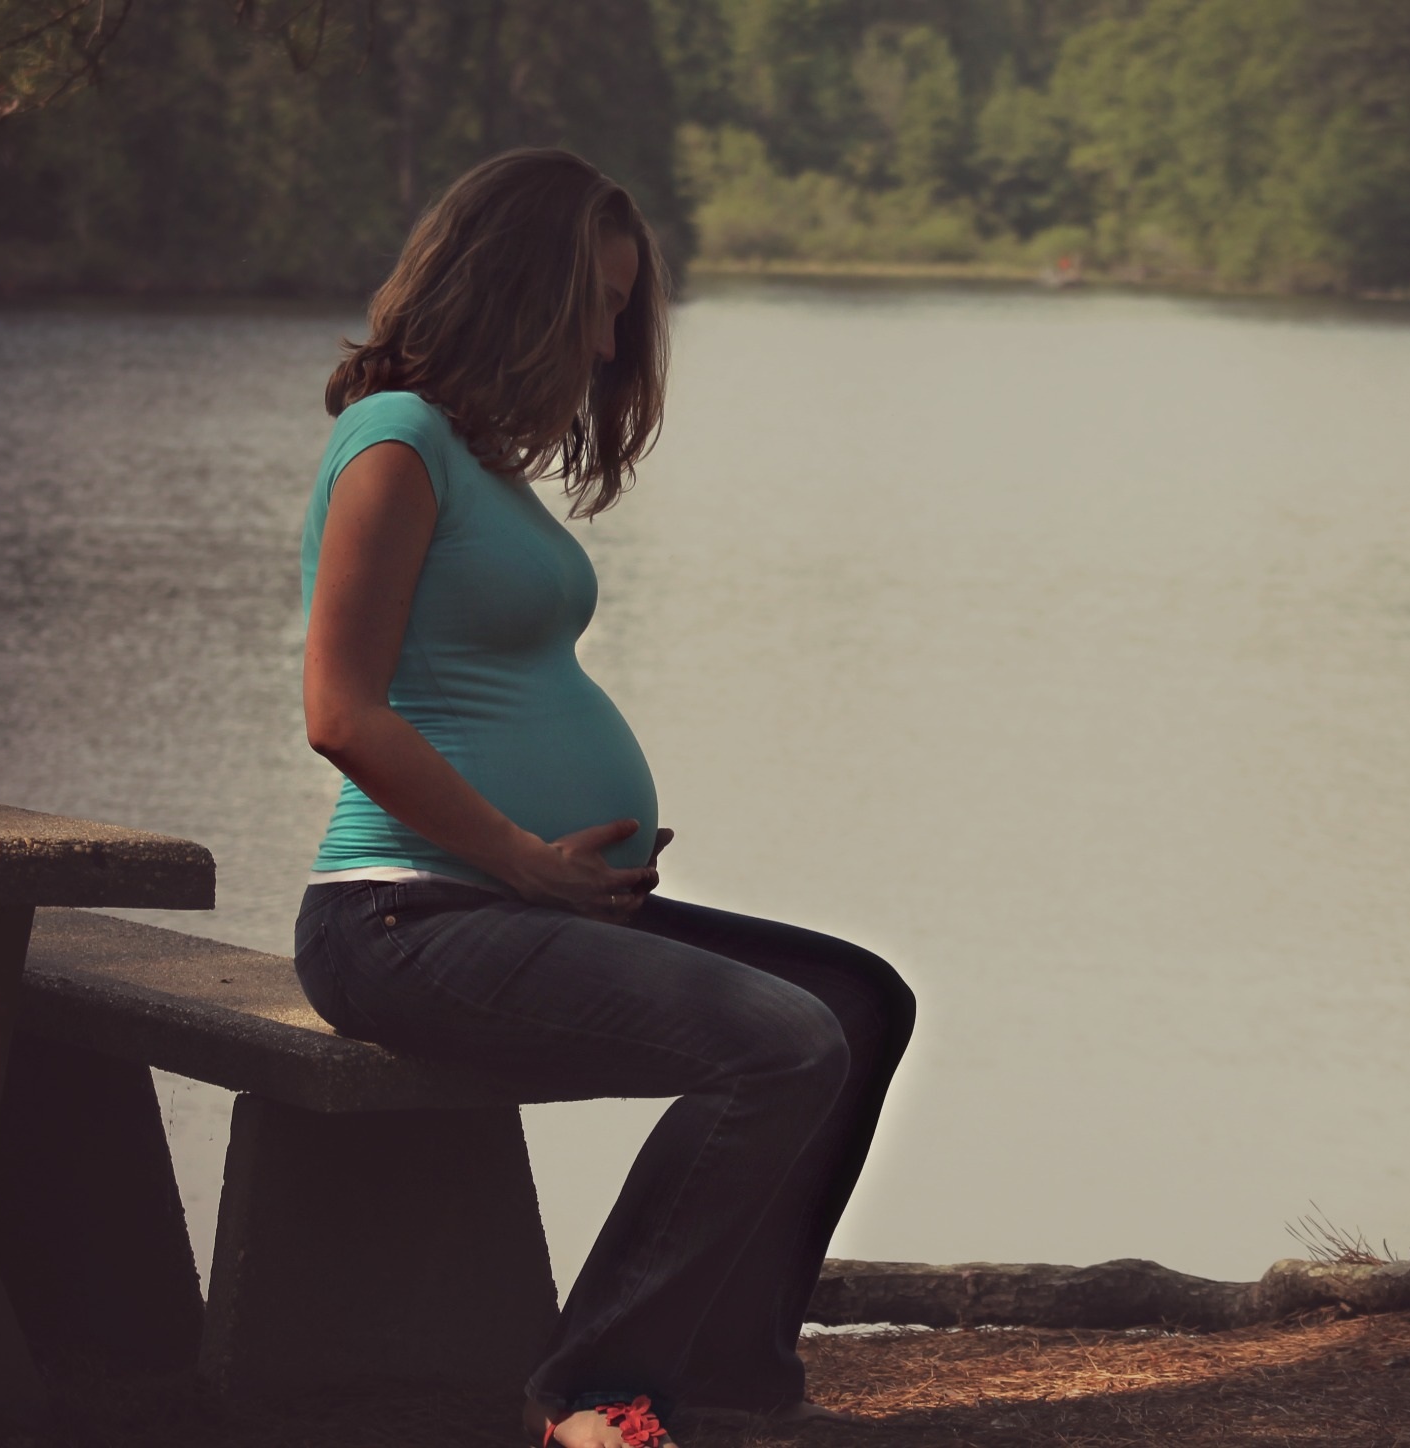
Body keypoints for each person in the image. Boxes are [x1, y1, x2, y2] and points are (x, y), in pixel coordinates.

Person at [290, 148, 915, 1448]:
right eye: (596, 299)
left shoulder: (474, 463)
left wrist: (564, 853)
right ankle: (589, 1394)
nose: (610, 333)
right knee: (782, 1041)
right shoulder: (394, 442)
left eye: (623, 304)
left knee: (858, 1003)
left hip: (518, 907)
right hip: (401, 919)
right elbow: (341, 712)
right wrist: (523, 854)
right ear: (510, 288)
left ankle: (737, 1378)